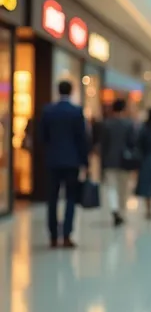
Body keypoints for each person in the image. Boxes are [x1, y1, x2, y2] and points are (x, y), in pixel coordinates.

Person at [40, 80, 89, 248]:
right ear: (72, 91)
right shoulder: (76, 112)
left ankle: (53, 236)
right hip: (72, 161)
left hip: (53, 161)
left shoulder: (48, 111)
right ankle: (67, 235)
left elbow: (43, 136)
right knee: (70, 197)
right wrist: (85, 161)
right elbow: (82, 139)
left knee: (52, 199)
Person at [100, 98, 134, 226]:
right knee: (123, 188)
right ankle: (122, 211)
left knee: (111, 187)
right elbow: (132, 143)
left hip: (110, 160)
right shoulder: (128, 124)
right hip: (125, 160)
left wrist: (102, 163)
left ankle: (114, 209)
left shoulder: (107, 124)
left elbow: (103, 145)